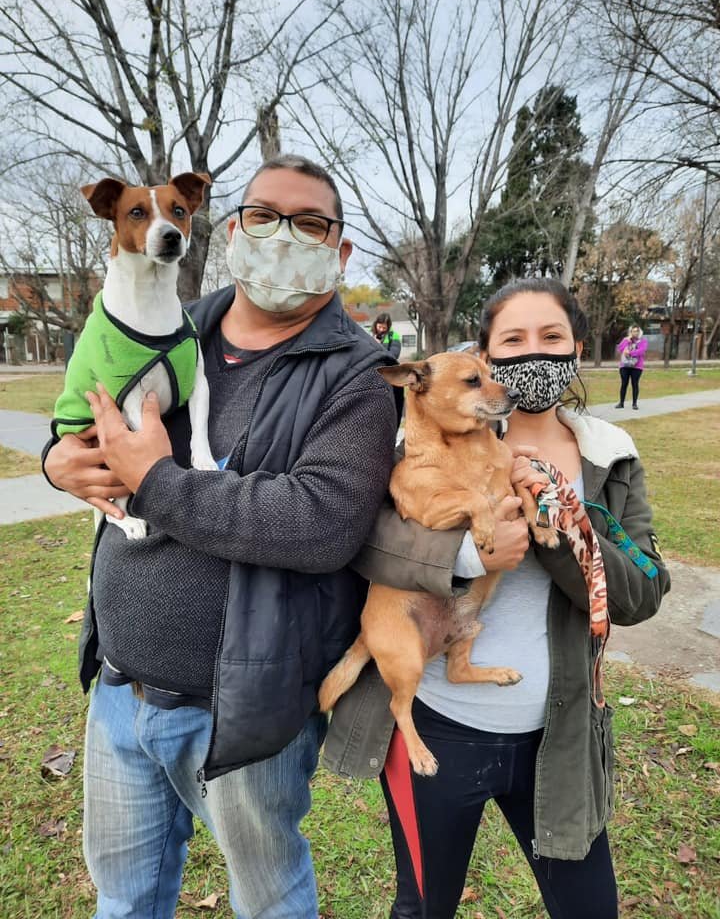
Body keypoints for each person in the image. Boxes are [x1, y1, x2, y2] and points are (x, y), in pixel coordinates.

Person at [41, 154, 399, 919]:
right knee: (124, 899)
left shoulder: (356, 378)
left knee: (268, 900)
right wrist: (54, 460)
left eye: (309, 224)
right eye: (263, 215)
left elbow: (320, 525)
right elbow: (84, 415)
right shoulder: (168, 324)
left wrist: (158, 482)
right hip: (119, 690)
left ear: (339, 253)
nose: (280, 237)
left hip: (242, 712)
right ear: (232, 230)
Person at [324, 277, 670, 919]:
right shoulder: (416, 449)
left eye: (552, 337)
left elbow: (642, 591)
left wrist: (561, 532)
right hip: (440, 723)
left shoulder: (610, 456)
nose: (532, 353)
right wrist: (467, 553)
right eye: (514, 339)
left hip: (559, 736)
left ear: (576, 348)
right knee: (422, 906)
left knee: (590, 909)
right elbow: (363, 550)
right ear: (485, 354)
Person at [615, 324, 647, 410]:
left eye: (637, 331)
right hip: (624, 366)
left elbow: (641, 351)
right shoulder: (626, 340)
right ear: (630, 332)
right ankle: (621, 403)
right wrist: (626, 340)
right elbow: (620, 349)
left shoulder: (642, 341)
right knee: (624, 384)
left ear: (640, 332)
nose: (635, 333)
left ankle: (634, 404)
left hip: (637, 367)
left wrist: (630, 353)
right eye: (633, 331)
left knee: (635, 384)